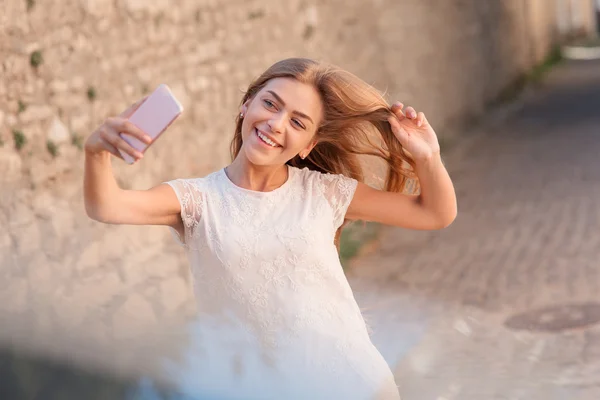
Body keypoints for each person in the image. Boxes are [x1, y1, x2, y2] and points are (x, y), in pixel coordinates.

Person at [84, 58, 457, 399]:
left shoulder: (323, 193)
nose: (276, 124)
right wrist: (97, 152)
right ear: (246, 105)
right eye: (270, 104)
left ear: (309, 145)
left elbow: (435, 214)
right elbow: (107, 205)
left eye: (297, 122)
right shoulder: (196, 200)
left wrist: (428, 157)